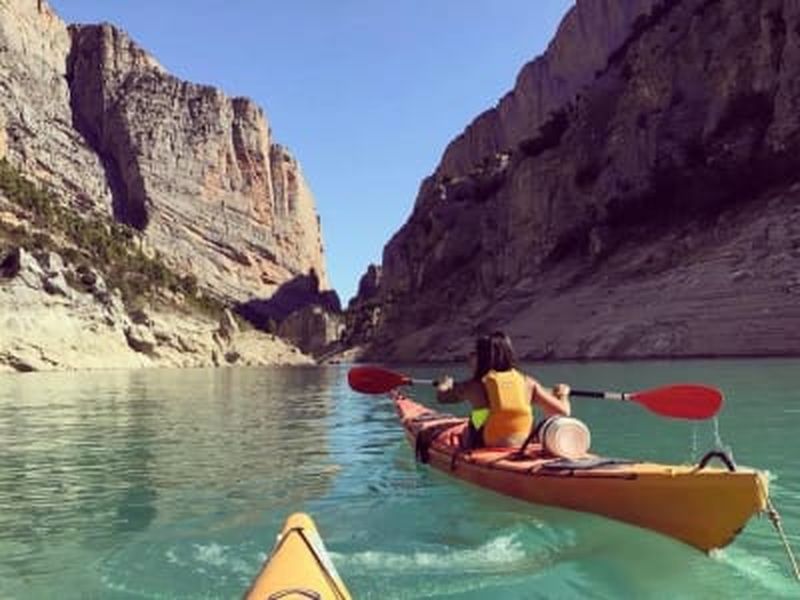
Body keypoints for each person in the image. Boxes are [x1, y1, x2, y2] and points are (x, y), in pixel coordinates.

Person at [436, 331, 571, 449]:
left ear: (483, 357)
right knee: (481, 415)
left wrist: (444, 385)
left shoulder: (474, 385)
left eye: (474, 353)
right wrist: (562, 394)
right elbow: (563, 411)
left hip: (487, 443)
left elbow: (443, 398)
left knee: (476, 418)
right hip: (524, 443)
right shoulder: (528, 383)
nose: (469, 357)